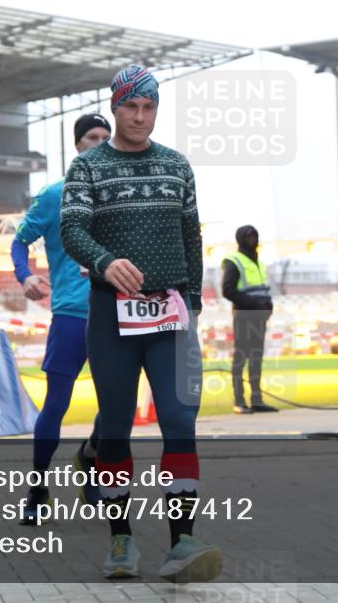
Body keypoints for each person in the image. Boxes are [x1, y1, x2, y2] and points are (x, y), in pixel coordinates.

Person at [61, 65, 221, 583]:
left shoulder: (177, 167)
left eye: (149, 108)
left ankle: (182, 542)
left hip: (171, 313)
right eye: (131, 107)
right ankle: (121, 539)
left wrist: (192, 303)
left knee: (179, 420)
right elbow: (71, 229)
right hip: (112, 314)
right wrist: (106, 261)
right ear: (114, 107)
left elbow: (190, 238)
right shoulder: (88, 168)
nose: (140, 117)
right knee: (115, 426)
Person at [11, 113, 112, 523]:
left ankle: (90, 458)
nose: (101, 143)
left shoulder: (122, 196)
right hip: (72, 313)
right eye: (92, 137)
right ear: (77, 145)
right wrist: (26, 275)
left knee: (115, 408)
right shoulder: (55, 195)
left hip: (116, 312)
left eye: (107, 137)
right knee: (56, 405)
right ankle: (37, 488)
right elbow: (20, 243)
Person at [221, 225, 278, 414]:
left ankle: (257, 399)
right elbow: (227, 290)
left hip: (259, 316)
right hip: (244, 315)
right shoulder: (234, 261)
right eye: (248, 237)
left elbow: (264, 289)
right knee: (241, 358)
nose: (253, 239)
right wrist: (255, 304)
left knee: (256, 358)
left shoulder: (258, 262)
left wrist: (268, 306)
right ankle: (239, 401)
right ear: (240, 239)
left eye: (255, 236)